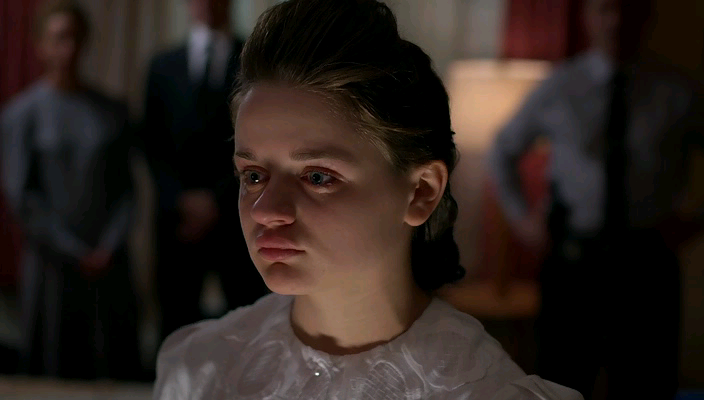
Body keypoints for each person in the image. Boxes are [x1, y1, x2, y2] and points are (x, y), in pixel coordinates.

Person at [152, 1, 584, 399]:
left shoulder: (482, 391)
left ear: (421, 191)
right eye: (253, 175)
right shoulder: (202, 368)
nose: (265, 210)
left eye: (317, 177)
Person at [488, 0, 704, 398]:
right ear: (588, 16)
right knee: (561, 378)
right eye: (606, 8)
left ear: (646, 16)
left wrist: (699, 219)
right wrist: (522, 220)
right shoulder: (560, 85)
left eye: (628, 9)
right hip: (574, 262)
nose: (616, 20)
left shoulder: (679, 90)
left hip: (647, 263)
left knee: (646, 380)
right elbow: (503, 150)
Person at [0, 0, 141, 380]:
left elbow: (126, 191)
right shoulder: (21, 115)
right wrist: (74, 251)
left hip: (108, 265)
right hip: (52, 266)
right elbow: (22, 198)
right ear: (41, 46)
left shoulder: (112, 111)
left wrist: (107, 247)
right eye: (60, 38)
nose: (69, 48)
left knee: (112, 371)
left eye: (76, 38)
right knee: (53, 372)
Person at [141, 0, 267, 345]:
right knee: (176, 322)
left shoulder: (254, 62)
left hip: (238, 215)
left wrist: (216, 200)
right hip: (177, 220)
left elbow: (260, 140)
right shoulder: (163, 65)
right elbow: (152, 144)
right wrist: (180, 200)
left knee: (247, 323)